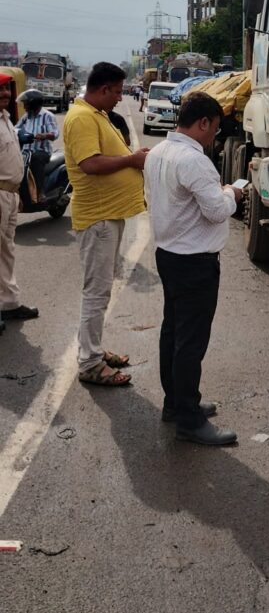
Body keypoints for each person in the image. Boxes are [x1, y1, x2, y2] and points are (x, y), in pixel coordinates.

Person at [144, 91, 242, 447]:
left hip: (169, 254)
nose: (214, 136)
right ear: (203, 123)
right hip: (194, 262)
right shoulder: (194, 160)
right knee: (190, 342)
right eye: (214, 130)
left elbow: (153, 200)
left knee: (173, 332)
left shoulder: (157, 152)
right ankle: (189, 419)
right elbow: (216, 210)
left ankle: (177, 403)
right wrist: (233, 193)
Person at [63, 62, 148, 387]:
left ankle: (93, 350)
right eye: (116, 92)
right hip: (97, 218)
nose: (119, 97)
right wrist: (131, 160)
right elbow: (90, 163)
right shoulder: (83, 117)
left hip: (107, 216)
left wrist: (130, 155)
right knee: (96, 293)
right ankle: (90, 363)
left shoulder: (95, 114)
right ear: (103, 89)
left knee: (100, 290)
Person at [0, 73, 39, 323]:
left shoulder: (5, 119)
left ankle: (8, 303)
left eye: (5, 89)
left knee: (6, 251)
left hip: (9, 195)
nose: (4, 94)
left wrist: (17, 194)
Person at [15, 89, 59, 201]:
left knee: (36, 159)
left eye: (26, 104)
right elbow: (16, 128)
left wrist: (45, 135)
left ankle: (40, 192)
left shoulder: (47, 116)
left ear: (33, 104)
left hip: (42, 151)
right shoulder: (26, 116)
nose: (24, 106)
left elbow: (55, 133)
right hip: (26, 151)